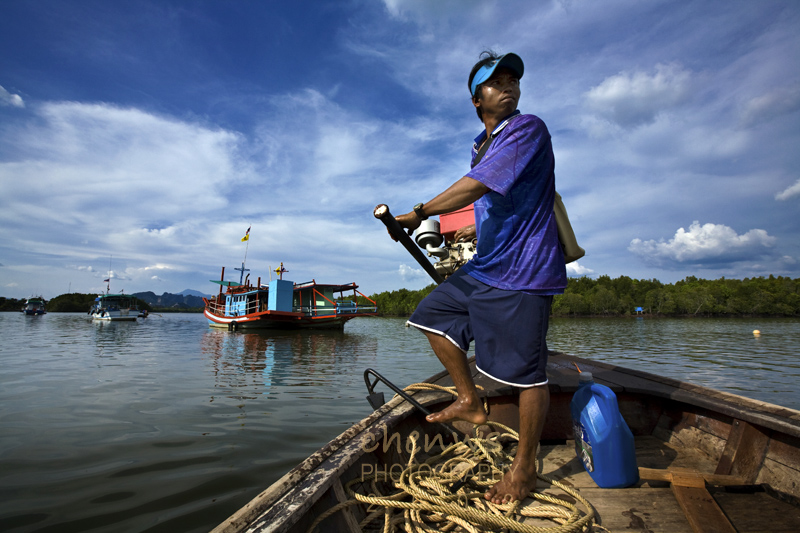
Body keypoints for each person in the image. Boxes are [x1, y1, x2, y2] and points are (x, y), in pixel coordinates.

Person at [393, 51, 567, 504]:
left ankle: (523, 469)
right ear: (477, 99)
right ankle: (469, 399)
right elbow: (490, 199)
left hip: (525, 269)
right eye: (496, 81)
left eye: (513, 80)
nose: (508, 86)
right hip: (488, 264)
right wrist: (474, 227)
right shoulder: (480, 144)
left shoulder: (527, 128)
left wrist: (420, 213)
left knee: (527, 376)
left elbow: (478, 186)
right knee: (433, 315)